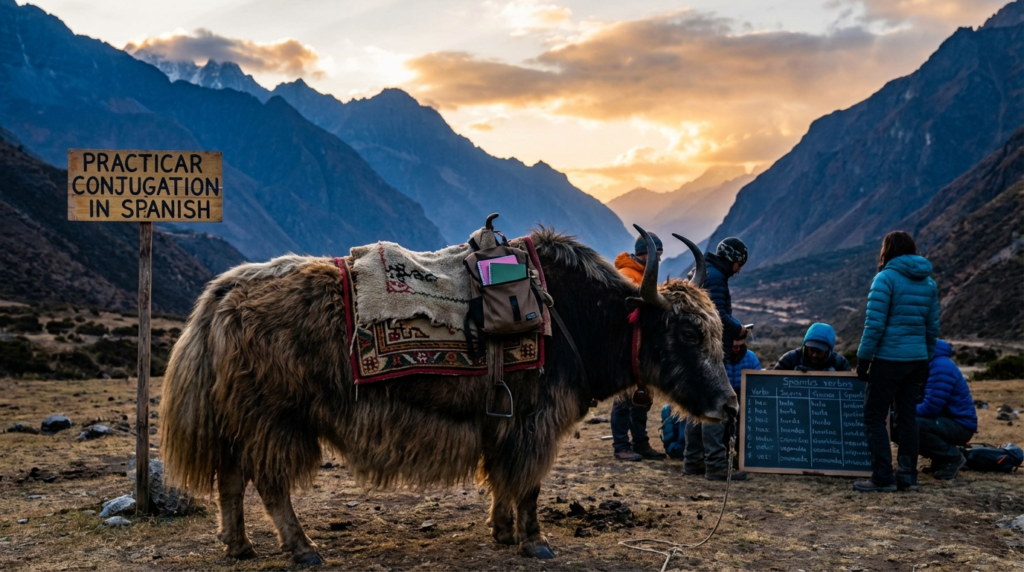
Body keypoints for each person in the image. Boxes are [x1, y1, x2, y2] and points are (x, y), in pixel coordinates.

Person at [853, 231, 939, 493]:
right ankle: (907, 476)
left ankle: (882, 477)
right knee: (907, 418)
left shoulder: (885, 278)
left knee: (874, 417)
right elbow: (932, 327)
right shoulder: (929, 284)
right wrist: (926, 358)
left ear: (887, 250)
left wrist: (863, 358)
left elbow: (875, 325)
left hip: (889, 359)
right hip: (916, 361)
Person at [684, 237, 750, 480]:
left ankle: (692, 462)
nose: (739, 269)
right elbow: (718, 315)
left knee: (697, 406)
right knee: (714, 406)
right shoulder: (716, 277)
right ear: (731, 258)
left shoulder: (705, 270)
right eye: (739, 263)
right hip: (709, 350)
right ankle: (715, 466)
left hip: (695, 351)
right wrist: (738, 329)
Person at [610, 233, 667, 461]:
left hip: (641, 346)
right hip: (626, 347)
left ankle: (641, 443)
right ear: (647, 253)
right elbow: (627, 313)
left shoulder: (644, 276)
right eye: (658, 254)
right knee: (624, 399)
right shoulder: (627, 276)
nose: (660, 260)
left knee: (642, 397)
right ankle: (621, 446)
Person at [917, 339, 977, 480]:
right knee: (896, 424)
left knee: (911, 424)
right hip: (945, 421)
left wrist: (904, 410)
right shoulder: (927, 363)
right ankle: (940, 459)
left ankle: (952, 458)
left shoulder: (941, 366)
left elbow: (930, 407)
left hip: (960, 424)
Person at [773, 323, 852, 372]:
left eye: (819, 352)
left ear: (828, 352)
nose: (814, 355)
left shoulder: (840, 363)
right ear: (805, 347)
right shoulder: (790, 359)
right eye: (811, 350)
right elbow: (774, 382)